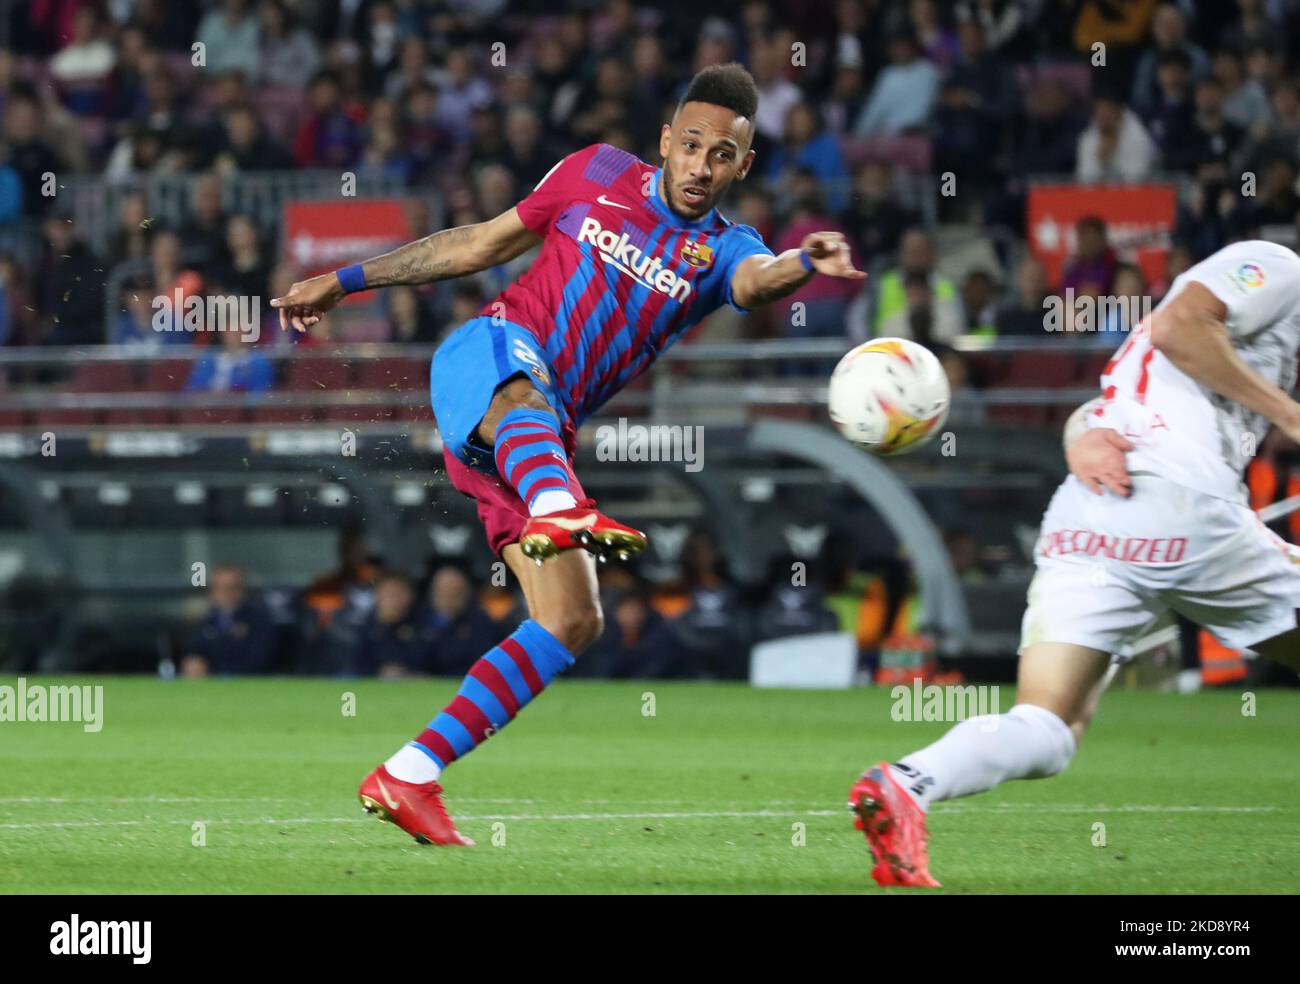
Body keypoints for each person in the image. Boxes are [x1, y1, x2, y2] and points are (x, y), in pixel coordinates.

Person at [272, 63, 864, 847]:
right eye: (690, 146)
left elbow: (756, 282)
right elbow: (478, 244)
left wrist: (800, 261)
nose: (701, 166)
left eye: (723, 155)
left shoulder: (724, 249)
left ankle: (411, 772)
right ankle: (560, 507)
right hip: (487, 363)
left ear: (743, 166)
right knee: (529, 393)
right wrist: (345, 281)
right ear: (665, 142)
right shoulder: (593, 172)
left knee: (574, 619)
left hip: (527, 446)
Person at [849, 239, 1300, 887]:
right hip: (1177, 500)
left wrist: (1078, 437)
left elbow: (1112, 405)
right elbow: (1178, 330)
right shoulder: (1277, 267)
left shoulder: (1217, 317)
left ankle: (907, 782)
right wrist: (1289, 415)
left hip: (1090, 514)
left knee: (1049, 726)